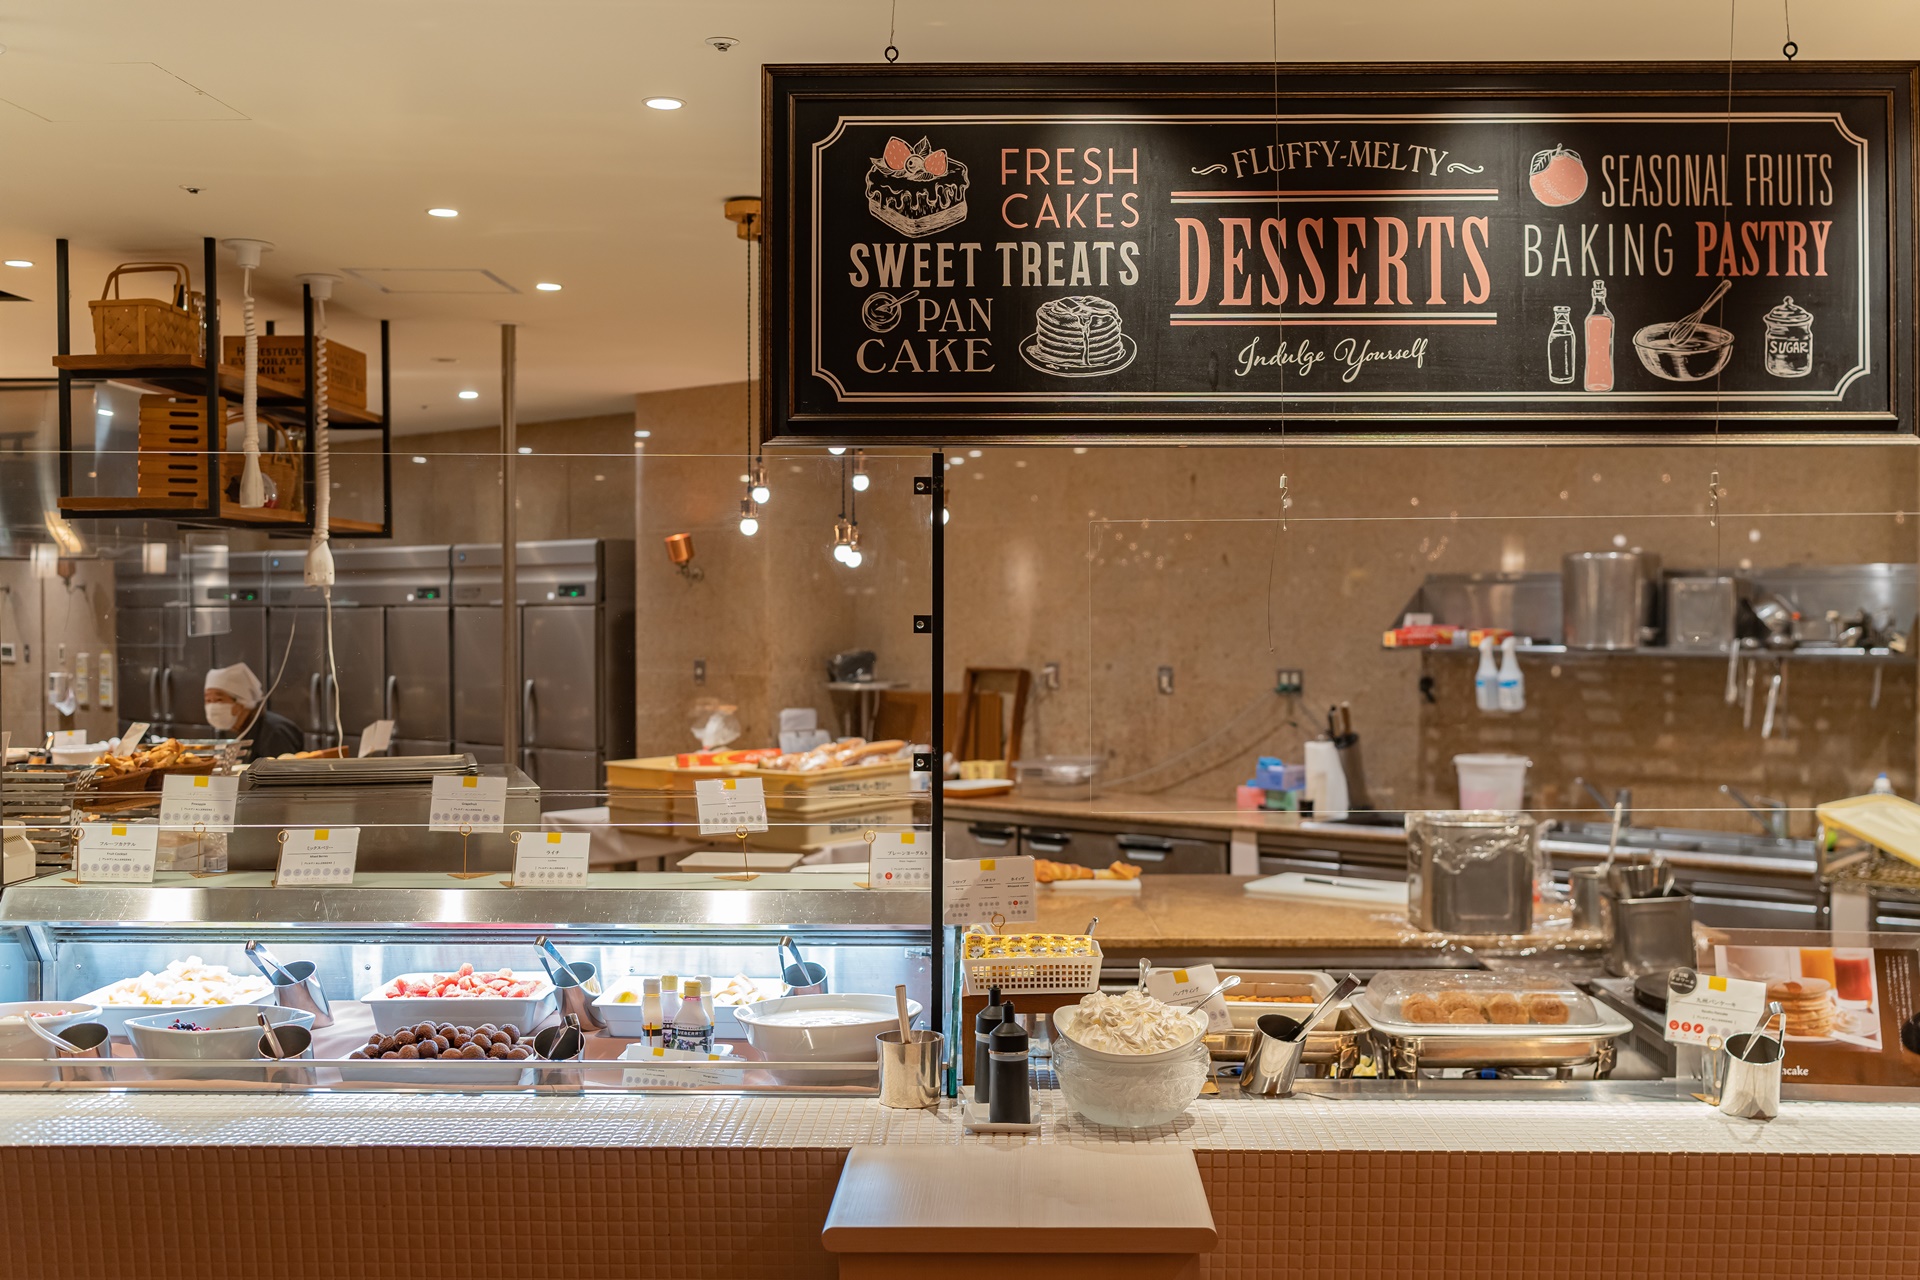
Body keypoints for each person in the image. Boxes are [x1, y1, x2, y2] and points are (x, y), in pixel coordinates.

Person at [204, 662, 306, 760]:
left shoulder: (274, 732)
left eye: (219, 700)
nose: (212, 706)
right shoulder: (240, 730)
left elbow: (281, 769)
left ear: (241, 703)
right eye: (208, 700)